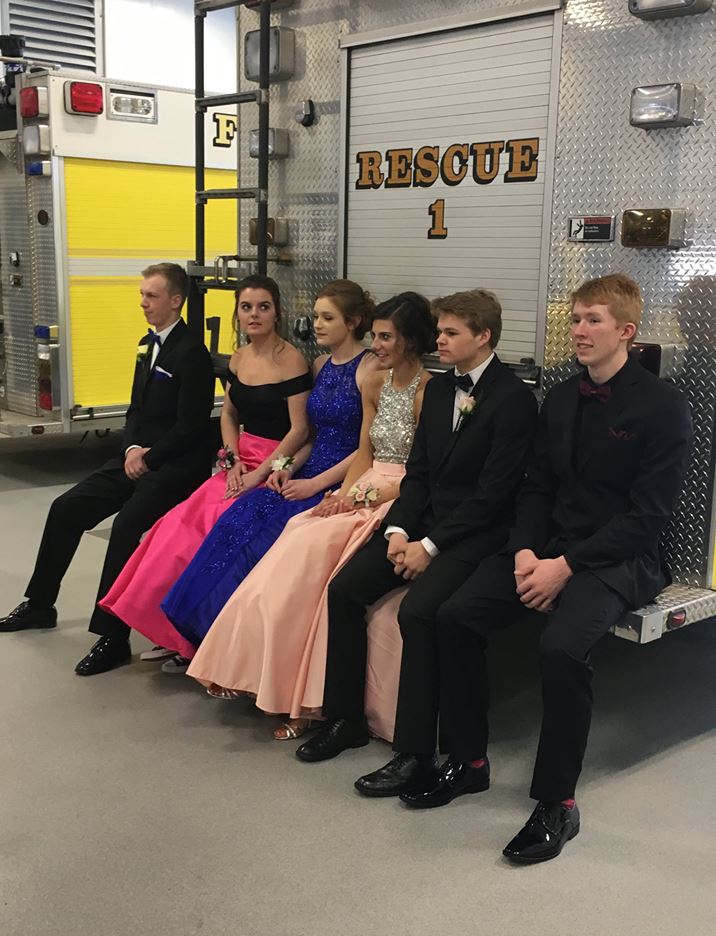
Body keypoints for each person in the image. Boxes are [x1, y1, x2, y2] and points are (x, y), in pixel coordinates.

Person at [408, 274, 692, 865]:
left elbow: (648, 517)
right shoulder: (561, 399)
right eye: (575, 320)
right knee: (458, 616)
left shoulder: (662, 407)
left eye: (593, 320)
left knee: (561, 649)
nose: (579, 331)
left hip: (621, 558)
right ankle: (469, 762)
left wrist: (566, 566)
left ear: (626, 331)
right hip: (549, 549)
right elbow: (535, 487)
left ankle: (556, 803)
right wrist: (525, 553)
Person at [296, 289, 539, 784]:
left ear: (483, 336)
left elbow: (493, 496)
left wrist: (429, 547)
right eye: (440, 330)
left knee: (419, 611)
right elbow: (419, 474)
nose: (440, 340)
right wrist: (399, 531)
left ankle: (415, 753)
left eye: (451, 333)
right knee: (344, 590)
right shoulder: (442, 389)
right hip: (420, 523)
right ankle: (346, 720)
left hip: (477, 535)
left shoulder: (513, 401)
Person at [187, 292, 435, 738]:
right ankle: (253, 672)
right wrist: (342, 493)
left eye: (385, 337)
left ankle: (304, 697)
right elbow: (365, 449)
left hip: (398, 493)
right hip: (361, 484)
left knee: (311, 554)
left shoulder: (430, 391)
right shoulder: (376, 383)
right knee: (297, 531)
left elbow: (425, 470)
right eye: (375, 335)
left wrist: (364, 497)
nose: (376, 345)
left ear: (411, 341)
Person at [0, 263, 216, 677]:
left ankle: (112, 638)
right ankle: (40, 603)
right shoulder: (146, 344)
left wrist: (149, 458)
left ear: (175, 300)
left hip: (174, 467)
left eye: (151, 296)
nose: (143, 303)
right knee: (66, 508)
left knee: (124, 528)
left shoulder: (193, 354)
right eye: (141, 295)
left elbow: (192, 426)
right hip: (137, 458)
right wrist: (132, 447)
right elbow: (135, 408)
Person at [98, 276, 311, 672]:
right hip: (239, 461)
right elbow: (229, 414)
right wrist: (231, 460)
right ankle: (167, 630)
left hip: (275, 462)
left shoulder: (292, 361)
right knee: (172, 528)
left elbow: (300, 430)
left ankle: (195, 638)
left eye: (263, 306)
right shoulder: (239, 358)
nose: (254, 315)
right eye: (246, 307)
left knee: (212, 530)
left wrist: (259, 474)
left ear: (277, 312)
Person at [160, 280, 377, 651]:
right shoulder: (321, 364)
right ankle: (201, 630)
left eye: (327, 317)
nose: (318, 325)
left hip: (338, 478)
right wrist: (288, 468)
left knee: (265, 541)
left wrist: (313, 485)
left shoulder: (369, 368)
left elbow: (366, 447)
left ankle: (237, 643)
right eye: (316, 316)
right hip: (303, 471)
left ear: (354, 322)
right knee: (238, 518)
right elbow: (310, 435)